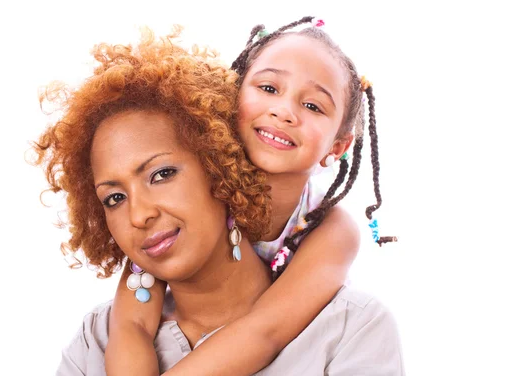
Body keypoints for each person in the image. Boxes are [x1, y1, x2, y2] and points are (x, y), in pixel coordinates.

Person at [105, 17, 398, 376]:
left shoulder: (332, 229)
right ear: (233, 94)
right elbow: (129, 326)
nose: (284, 111)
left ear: (337, 146)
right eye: (269, 88)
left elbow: (265, 331)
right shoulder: (190, 196)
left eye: (313, 106)